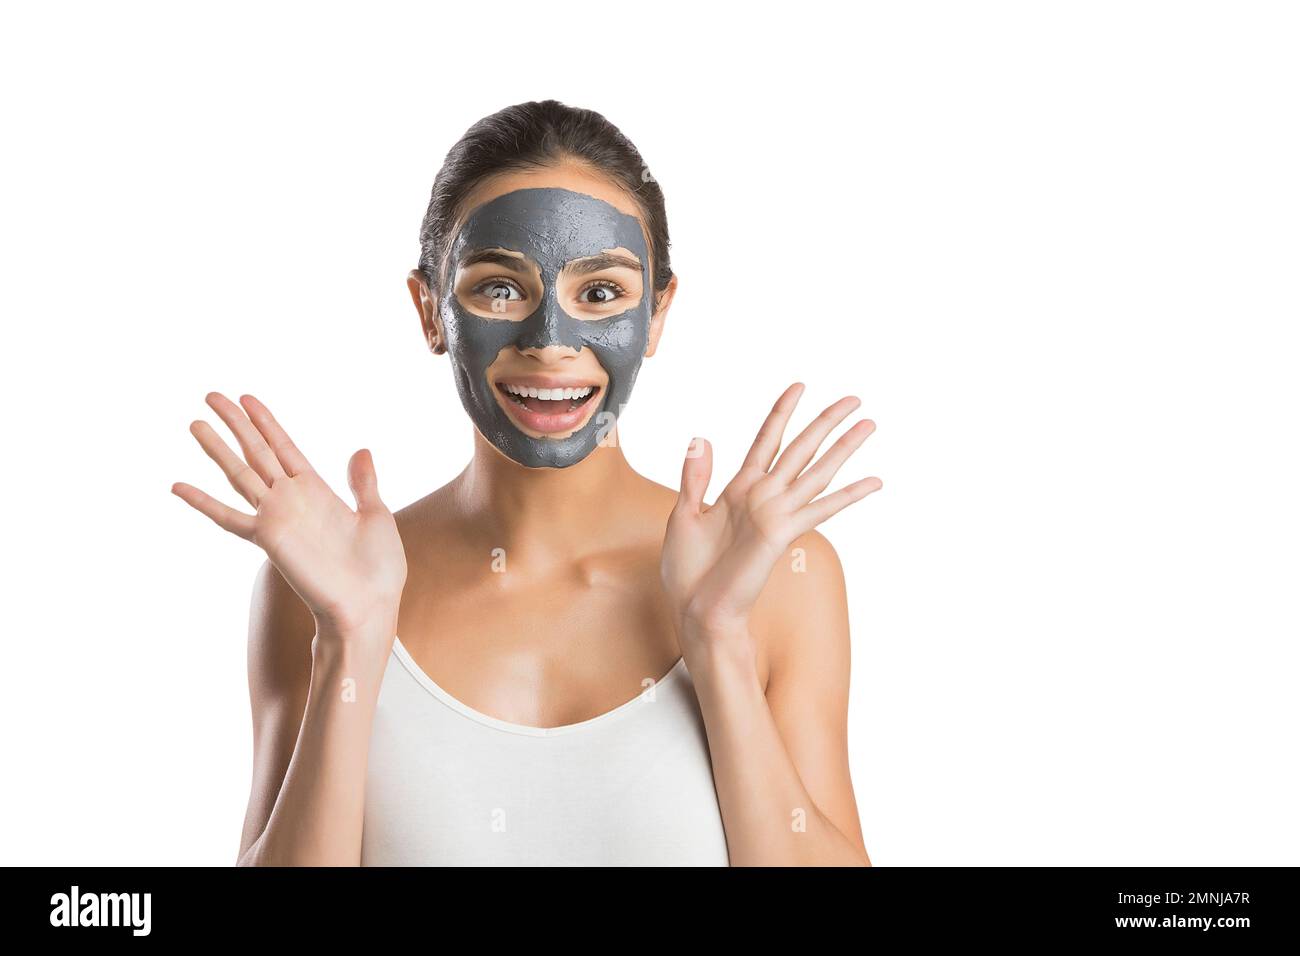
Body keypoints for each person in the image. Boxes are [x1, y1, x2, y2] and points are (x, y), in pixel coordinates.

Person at [172, 99, 882, 866]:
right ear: (430, 310)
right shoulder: (318, 586)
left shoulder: (779, 580)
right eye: (500, 289)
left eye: (601, 293)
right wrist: (349, 640)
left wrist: (718, 641)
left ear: (657, 313)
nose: (551, 344)